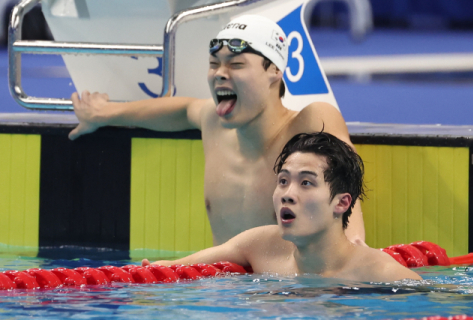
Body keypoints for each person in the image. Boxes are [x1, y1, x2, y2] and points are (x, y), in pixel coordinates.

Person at [68, 15, 366, 246]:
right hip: (222, 294)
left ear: (274, 71)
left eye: (236, 64)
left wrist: (354, 243)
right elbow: (181, 110)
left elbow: (346, 177)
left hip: (290, 296)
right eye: (214, 64)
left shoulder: (310, 122)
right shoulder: (213, 122)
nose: (220, 73)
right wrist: (104, 114)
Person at [142, 132, 421, 282]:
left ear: (341, 203)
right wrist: (157, 271)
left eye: (306, 183)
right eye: (283, 181)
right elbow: (177, 267)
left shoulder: (379, 274)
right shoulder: (261, 244)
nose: (287, 194)